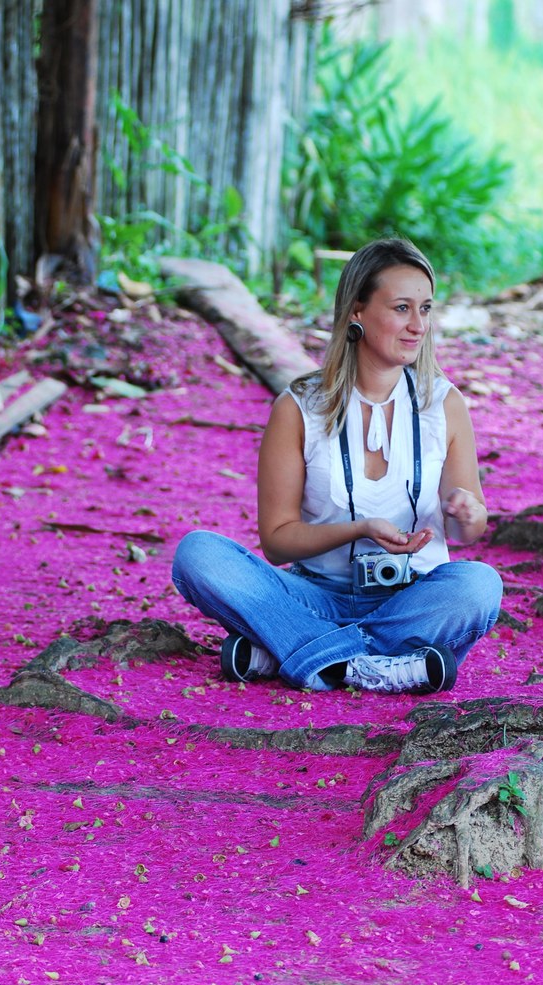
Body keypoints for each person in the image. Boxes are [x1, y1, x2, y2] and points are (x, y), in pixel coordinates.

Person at [172, 237, 502, 695]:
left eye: (425, 309)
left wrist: (467, 513)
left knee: (479, 585)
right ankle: (382, 665)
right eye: (402, 308)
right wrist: (359, 528)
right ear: (357, 311)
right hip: (314, 598)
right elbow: (278, 543)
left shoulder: (443, 404)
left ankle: (296, 656)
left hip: (413, 597)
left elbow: (470, 532)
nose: (418, 326)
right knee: (198, 554)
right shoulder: (299, 407)